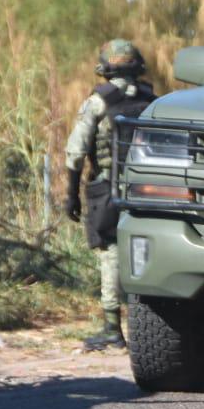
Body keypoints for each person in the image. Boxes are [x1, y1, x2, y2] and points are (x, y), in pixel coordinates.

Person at [64, 40, 158, 350]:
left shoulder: (98, 102)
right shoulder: (153, 100)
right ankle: (149, 326)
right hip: (150, 190)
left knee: (111, 254)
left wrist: (71, 194)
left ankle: (111, 328)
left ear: (105, 67)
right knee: (146, 253)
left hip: (107, 188)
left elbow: (75, 152)